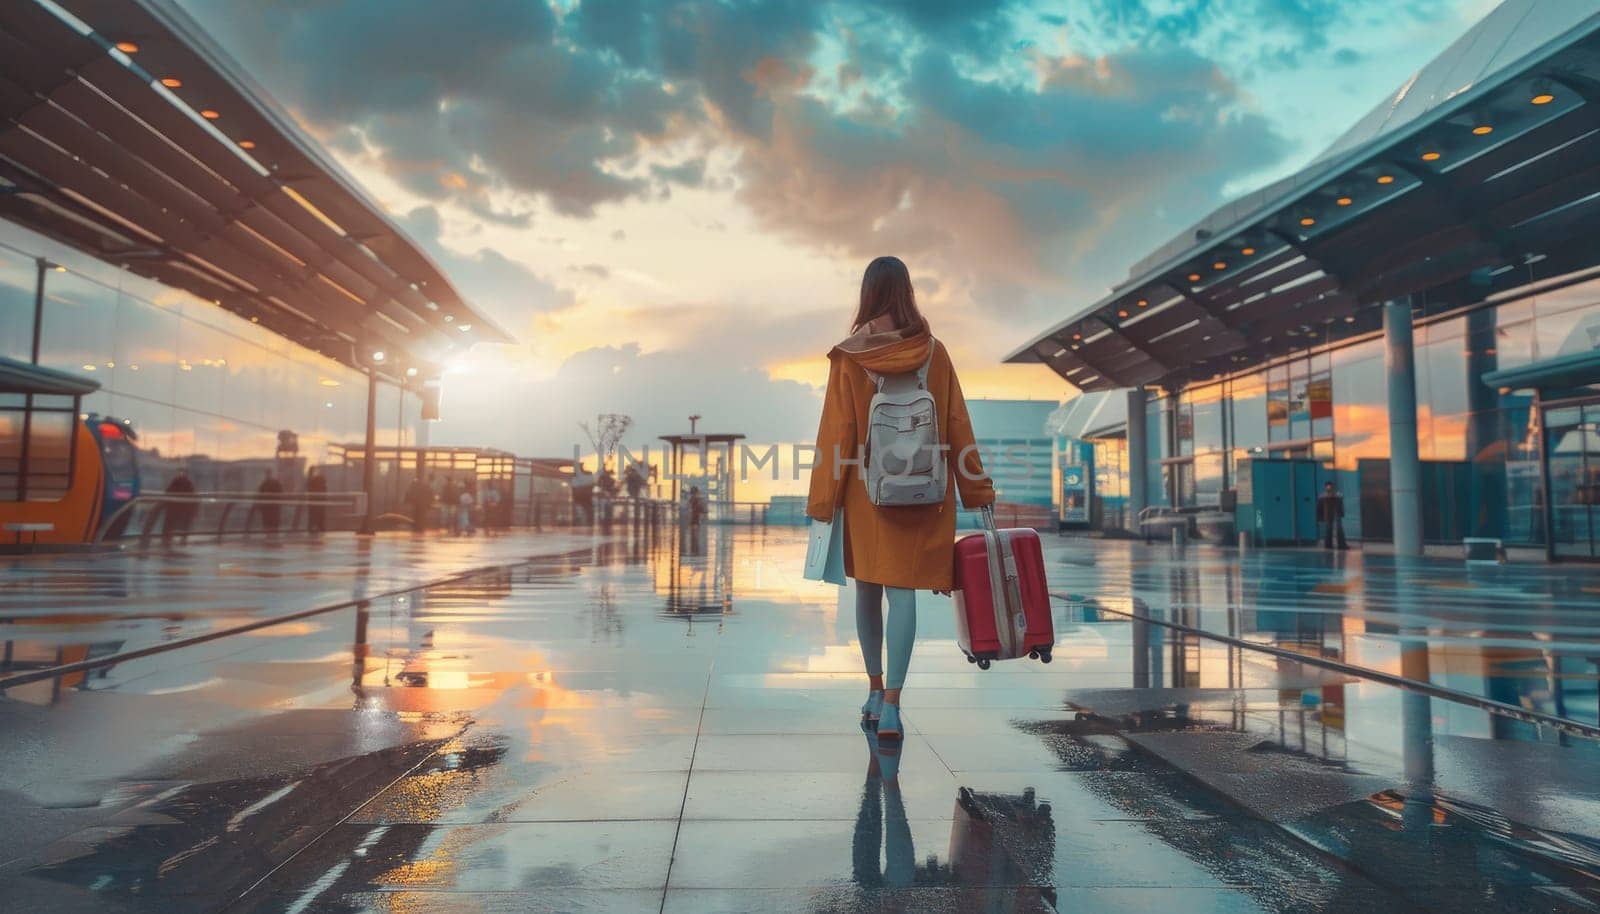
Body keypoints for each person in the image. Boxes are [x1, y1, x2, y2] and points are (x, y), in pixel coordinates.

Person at [806, 255, 994, 742]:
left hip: (867, 491)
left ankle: (872, 691)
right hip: (925, 491)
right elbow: (956, 424)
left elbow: (838, 431)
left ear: (867, 294)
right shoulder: (934, 351)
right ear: (908, 292)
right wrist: (976, 488)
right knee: (902, 591)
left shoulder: (850, 355)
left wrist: (823, 501)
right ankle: (893, 706)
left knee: (868, 590)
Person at [162, 469, 197, 546]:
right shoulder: (189, 484)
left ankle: (167, 539)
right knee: (184, 525)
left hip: (173, 508)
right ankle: (182, 539)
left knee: (169, 524)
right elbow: (193, 496)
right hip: (184, 509)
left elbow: (168, 492)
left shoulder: (175, 482)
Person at [1317, 481, 1349, 550]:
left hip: (1334, 514)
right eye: (1328, 489)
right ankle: (1337, 545)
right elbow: (1320, 507)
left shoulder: (1335, 496)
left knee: (1336, 529)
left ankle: (1338, 545)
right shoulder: (1324, 497)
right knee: (1331, 529)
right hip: (1332, 514)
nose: (1329, 490)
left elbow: (1319, 507)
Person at [305, 467, 328, 534]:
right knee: (318, 515)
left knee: (314, 515)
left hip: (314, 502)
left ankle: (315, 527)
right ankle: (319, 527)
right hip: (318, 502)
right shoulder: (319, 480)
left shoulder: (311, 481)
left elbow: (310, 489)